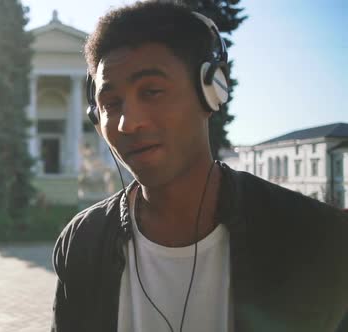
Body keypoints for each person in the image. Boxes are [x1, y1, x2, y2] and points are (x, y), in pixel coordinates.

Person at [50, 2, 348, 332]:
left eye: (151, 91)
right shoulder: (81, 243)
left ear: (211, 93)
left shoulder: (317, 239)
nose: (127, 123)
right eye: (111, 103)